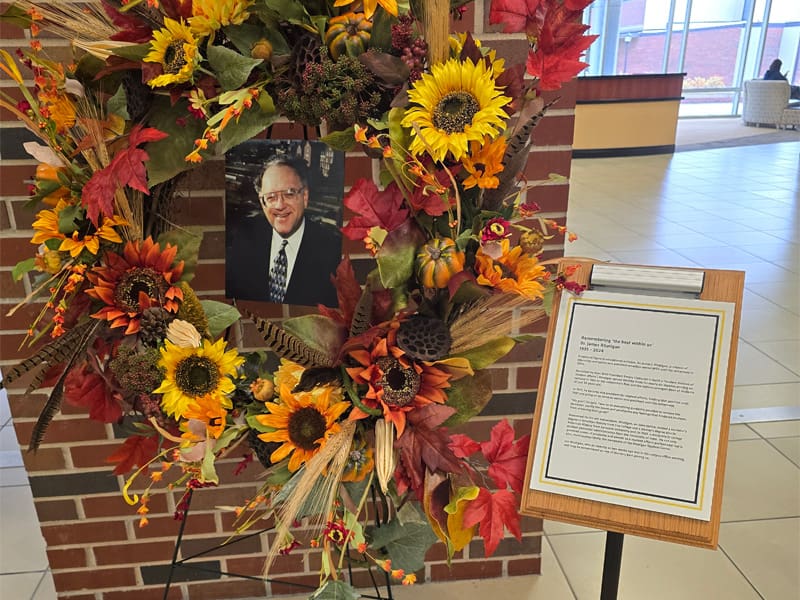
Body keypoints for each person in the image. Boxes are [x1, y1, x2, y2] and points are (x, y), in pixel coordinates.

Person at [226, 154, 341, 306]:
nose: (280, 205)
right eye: (271, 197)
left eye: (289, 194)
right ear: (262, 202)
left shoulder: (333, 251)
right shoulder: (242, 238)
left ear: (305, 197)